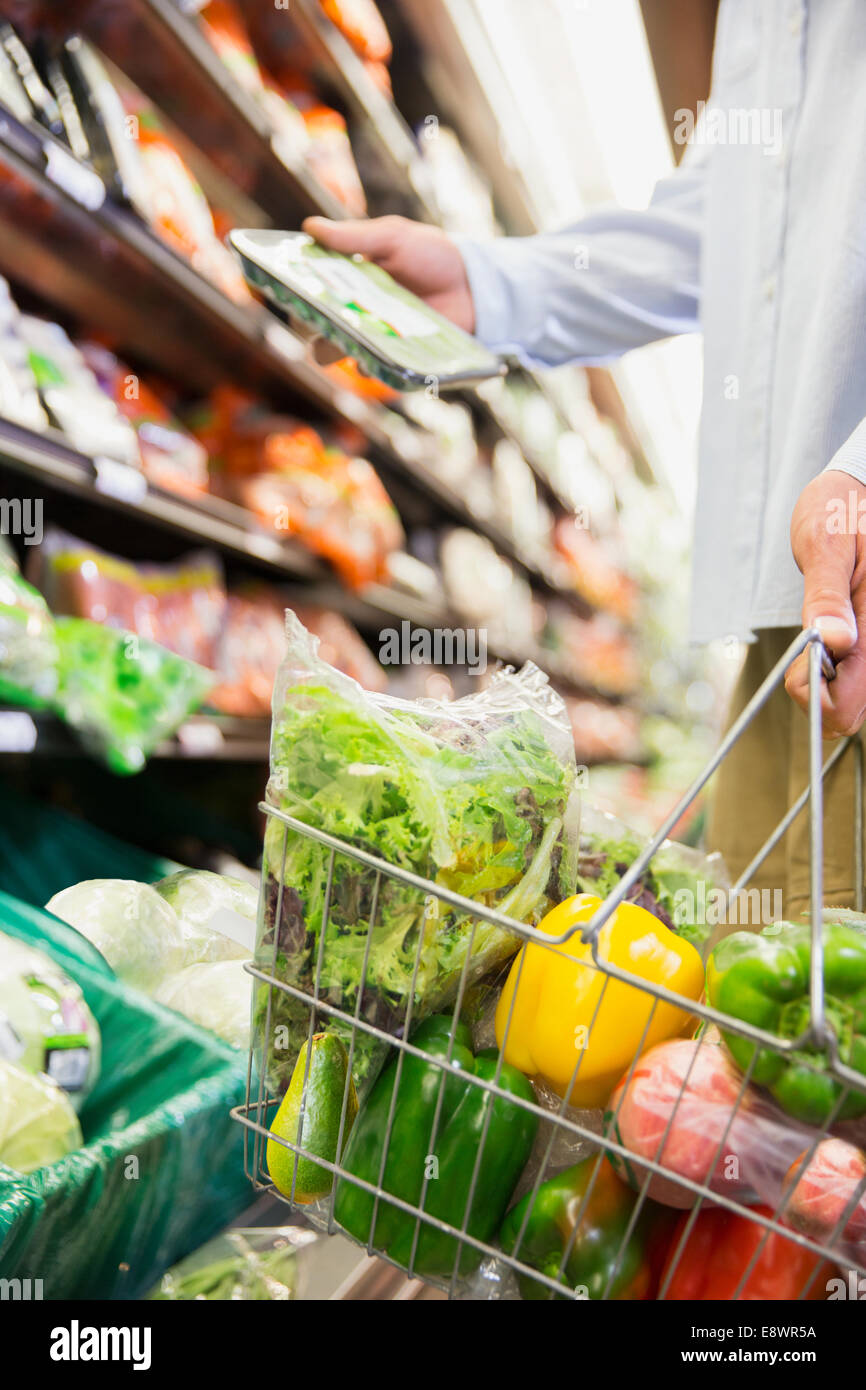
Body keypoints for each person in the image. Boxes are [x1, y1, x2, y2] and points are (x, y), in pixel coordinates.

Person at [299, 0, 866, 923]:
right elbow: (729, 222)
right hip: (796, 620)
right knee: (761, 1008)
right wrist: (490, 284)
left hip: (851, 585)